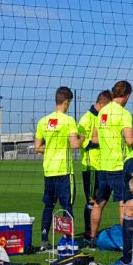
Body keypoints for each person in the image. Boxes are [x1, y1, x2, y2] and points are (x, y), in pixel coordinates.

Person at [89, 80, 133, 243]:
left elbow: (94, 138)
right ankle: (126, 242)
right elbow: (130, 140)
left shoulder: (102, 112)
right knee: (124, 203)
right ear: (127, 96)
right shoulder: (124, 114)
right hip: (119, 166)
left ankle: (92, 238)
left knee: (98, 204)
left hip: (103, 166)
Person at [34, 87, 81, 249]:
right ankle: (68, 240)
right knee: (67, 206)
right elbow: (75, 145)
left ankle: (44, 240)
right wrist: (84, 138)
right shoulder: (68, 121)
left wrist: (51, 148)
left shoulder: (43, 121)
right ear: (67, 102)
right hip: (64, 171)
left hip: (49, 170)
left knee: (48, 205)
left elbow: (37, 147)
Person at [77, 89, 111, 242]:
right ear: (101, 103)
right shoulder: (86, 118)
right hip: (90, 166)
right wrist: (100, 141)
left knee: (100, 200)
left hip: (102, 166)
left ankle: (92, 232)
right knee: (91, 201)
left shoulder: (102, 117)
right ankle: (87, 233)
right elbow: (81, 142)